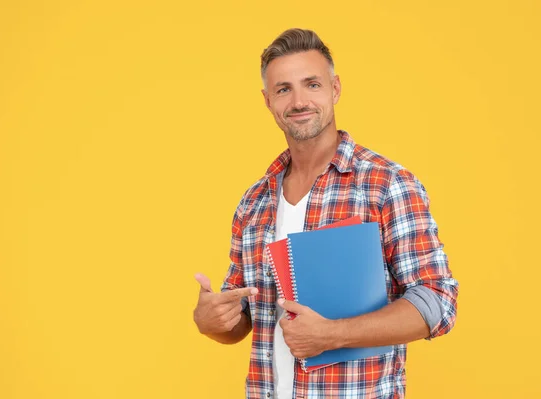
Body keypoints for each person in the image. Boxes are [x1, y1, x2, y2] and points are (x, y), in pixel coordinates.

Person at [193, 28, 459, 399]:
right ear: (268, 100)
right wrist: (211, 321)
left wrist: (332, 334)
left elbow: (436, 303)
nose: (299, 101)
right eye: (283, 89)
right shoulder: (253, 203)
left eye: (312, 84)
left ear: (335, 89)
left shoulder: (386, 185)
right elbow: (244, 319)